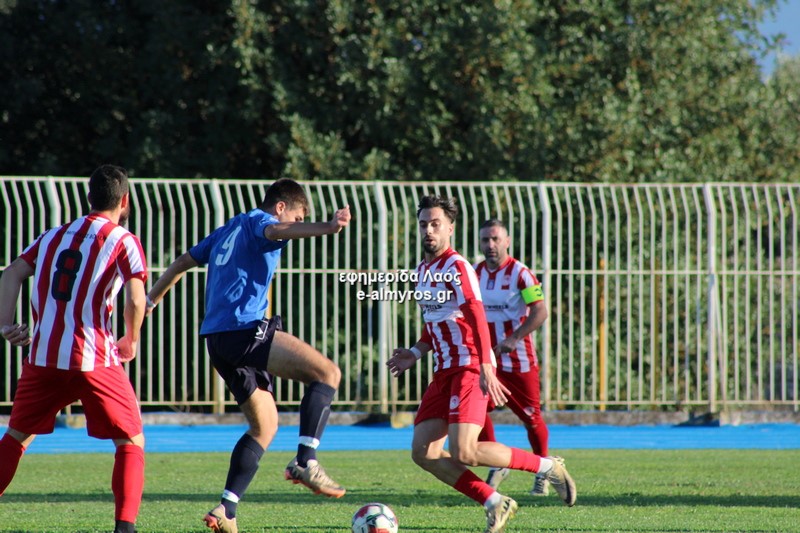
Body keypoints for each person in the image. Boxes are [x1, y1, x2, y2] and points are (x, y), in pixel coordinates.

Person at [145, 178, 350, 533]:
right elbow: (275, 230)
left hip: (216, 341)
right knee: (328, 374)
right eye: (297, 218)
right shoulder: (260, 222)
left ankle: (226, 509)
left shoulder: (227, 229)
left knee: (264, 426)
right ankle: (306, 460)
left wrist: (151, 299)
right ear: (281, 207)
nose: (296, 226)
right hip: (243, 331)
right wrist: (328, 228)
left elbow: (181, 262)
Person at [387, 196, 576, 533]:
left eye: (435, 224)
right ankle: (494, 501)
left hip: (468, 366)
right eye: (424, 224)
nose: (428, 230)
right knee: (423, 452)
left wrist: (486, 364)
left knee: (465, 450)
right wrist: (414, 353)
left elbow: (475, 313)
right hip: (443, 371)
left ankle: (547, 466)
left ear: (450, 228)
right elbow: (435, 322)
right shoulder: (422, 271)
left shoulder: (457, 266)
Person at [0, 165, 148, 533]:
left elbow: (11, 272)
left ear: (88, 198)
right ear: (125, 201)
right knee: (130, 439)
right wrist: (131, 338)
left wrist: (5, 324)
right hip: (95, 357)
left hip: (44, 357)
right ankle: (125, 527)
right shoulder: (123, 240)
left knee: (16, 437)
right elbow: (135, 298)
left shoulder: (52, 236)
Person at [473, 219, 552, 496]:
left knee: (531, 418)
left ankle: (544, 470)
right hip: (487, 361)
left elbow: (540, 311)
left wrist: (514, 338)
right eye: (485, 240)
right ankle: (496, 463)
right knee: (477, 411)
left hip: (519, 360)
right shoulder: (474, 273)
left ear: (507, 241)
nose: (490, 245)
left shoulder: (522, 274)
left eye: (495, 239)